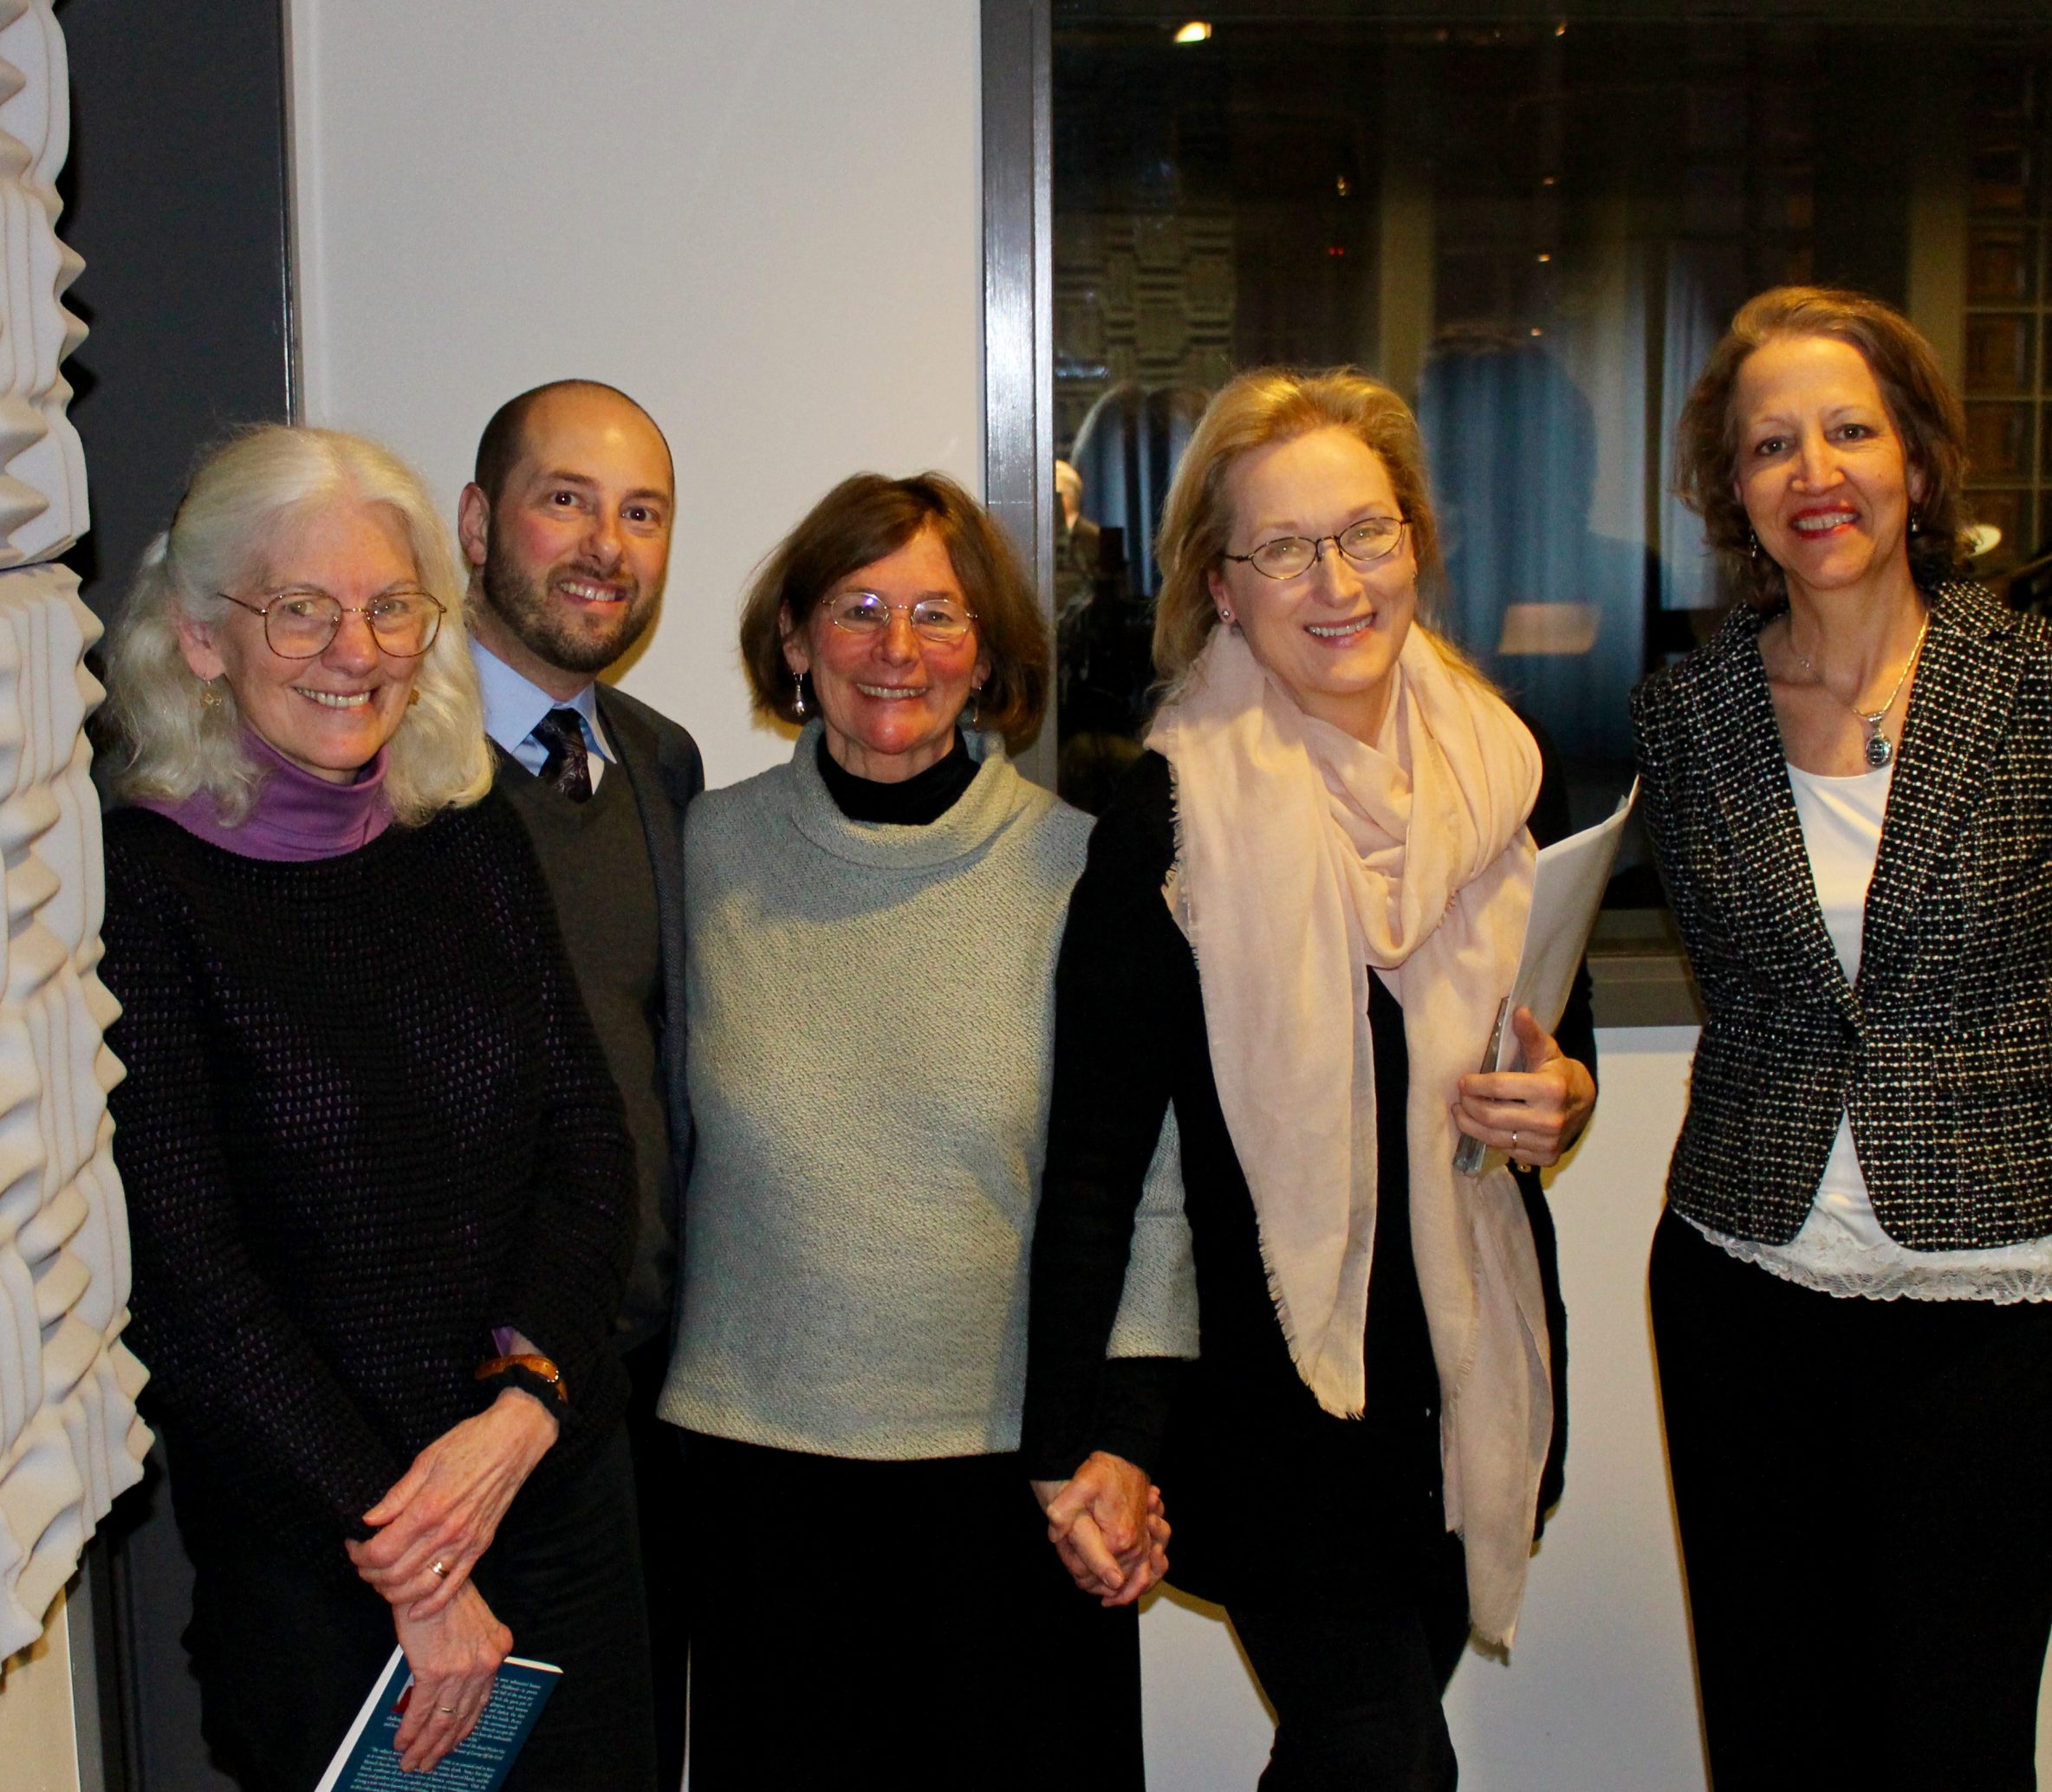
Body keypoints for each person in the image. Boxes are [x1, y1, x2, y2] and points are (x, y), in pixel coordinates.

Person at [1024, 367, 1598, 1790]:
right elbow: (1096, 1166)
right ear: (1221, 587)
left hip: (1462, 1387)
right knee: (1389, 1763)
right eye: (1284, 549)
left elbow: (1552, 1055)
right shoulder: (1164, 819)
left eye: (1367, 533)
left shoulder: (1512, 781)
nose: (1336, 582)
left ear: (1416, 543)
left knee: (1365, 1760)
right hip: (1271, 1421)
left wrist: (1567, 1100)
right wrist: (1066, 1445)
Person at [1633, 287, 2052, 1790]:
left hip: (1987, 1301)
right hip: (1745, 1281)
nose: (1817, 474)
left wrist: (2020, 1158)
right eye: (1770, 445)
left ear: (1918, 464)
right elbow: (1737, 991)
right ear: (1735, 492)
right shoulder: (1689, 716)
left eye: (1850, 432)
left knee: (1957, 1737)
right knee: (1774, 1727)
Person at [101, 425, 655, 1788]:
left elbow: (585, 1148)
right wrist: (406, 1549)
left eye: (390, 605)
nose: (357, 649)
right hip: (322, 1552)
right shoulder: (143, 889)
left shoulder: (467, 833)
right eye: (302, 608)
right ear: (201, 637)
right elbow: (187, 1277)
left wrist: (521, 1414)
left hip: (544, 1495)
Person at [659, 471, 1195, 1789]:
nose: (897, 651)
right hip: (753, 1480)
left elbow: (1157, 1192)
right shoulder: (699, 855)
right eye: (857, 608)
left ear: (990, 655)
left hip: (1015, 1479)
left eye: (938, 617)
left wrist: (1123, 1441)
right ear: (792, 643)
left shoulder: (1081, 870)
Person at [458, 379, 703, 1790]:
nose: (606, 545)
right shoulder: (389, 765)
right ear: (483, 521)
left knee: (629, 1762)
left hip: (642, 1397)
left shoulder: (660, 764)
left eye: (642, 512)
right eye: (567, 500)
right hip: (471, 1408)